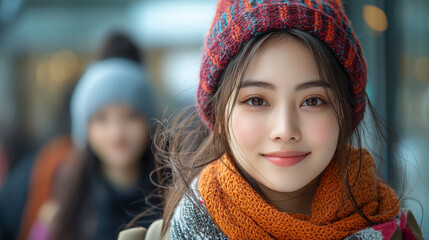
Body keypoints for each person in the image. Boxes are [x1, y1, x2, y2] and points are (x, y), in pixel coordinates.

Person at [118, 0, 424, 239]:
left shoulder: (396, 231)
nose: (284, 130)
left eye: (313, 100)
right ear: (220, 113)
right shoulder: (177, 233)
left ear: (344, 112)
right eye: (256, 100)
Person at [8, 32, 160, 240]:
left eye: (131, 117)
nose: (116, 133)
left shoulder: (175, 192)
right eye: (101, 119)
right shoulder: (60, 191)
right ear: (84, 128)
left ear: (149, 122)